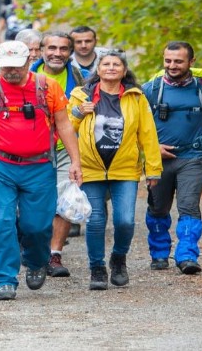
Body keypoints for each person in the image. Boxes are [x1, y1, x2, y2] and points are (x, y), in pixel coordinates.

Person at [0, 40, 82, 301]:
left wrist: (75, 161)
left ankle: (36, 261)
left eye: (16, 66)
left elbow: (63, 125)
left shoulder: (48, 86)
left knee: (37, 226)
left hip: (39, 166)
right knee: (0, 221)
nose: (11, 72)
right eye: (5, 67)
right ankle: (4, 279)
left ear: (29, 61)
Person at [68, 50, 162, 290]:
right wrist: (79, 112)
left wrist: (153, 169)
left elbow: (148, 135)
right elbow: (66, 128)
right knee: (96, 220)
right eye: (106, 64)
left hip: (125, 169)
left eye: (116, 64)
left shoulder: (136, 97)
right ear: (98, 70)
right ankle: (97, 268)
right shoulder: (81, 95)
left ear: (124, 70)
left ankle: (119, 258)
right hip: (90, 169)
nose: (111, 68)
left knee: (125, 222)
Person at [143, 42, 202, 274]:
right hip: (158, 161)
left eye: (178, 61)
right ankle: (159, 253)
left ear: (191, 62)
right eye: (168, 61)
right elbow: (135, 127)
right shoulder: (150, 89)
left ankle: (187, 255)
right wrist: (152, 148)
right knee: (158, 208)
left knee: (189, 206)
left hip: (192, 157)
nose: (172, 65)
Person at [30, 31, 84, 277]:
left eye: (63, 49)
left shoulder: (78, 77)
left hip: (64, 147)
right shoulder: (26, 75)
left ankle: (54, 255)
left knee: (65, 200)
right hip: (32, 150)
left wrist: (77, 158)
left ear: (70, 53)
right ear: (41, 50)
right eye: (52, 48)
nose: (57, 53)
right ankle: (33, 248)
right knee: (34, 204)